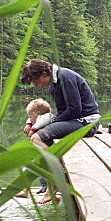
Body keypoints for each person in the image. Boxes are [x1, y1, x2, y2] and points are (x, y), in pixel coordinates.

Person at [20, 58, 101, 203]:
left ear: (45, 73)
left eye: (37, 81)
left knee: (37, 138)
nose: (38, 85)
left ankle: (56, 178)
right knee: (41, 139)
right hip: (75, 120)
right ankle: (49, 187)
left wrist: (53, 122)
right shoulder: (54, 84)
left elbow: (75, 109)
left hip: (86, 122)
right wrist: (51, 122)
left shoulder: (65, 78)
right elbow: (63, 111)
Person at [15, 98, 53, 199]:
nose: (29, 119)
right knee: (28, 168)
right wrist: (28, 123)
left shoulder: (47, 118)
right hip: (40, 155)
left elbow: (45, 117)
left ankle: (50, 193)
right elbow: (35, 119)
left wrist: (32, 128)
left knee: (47, 173)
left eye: (30, 117)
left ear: (37, 115)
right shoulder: (37, 121)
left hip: (48, 155)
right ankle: (25, 190)